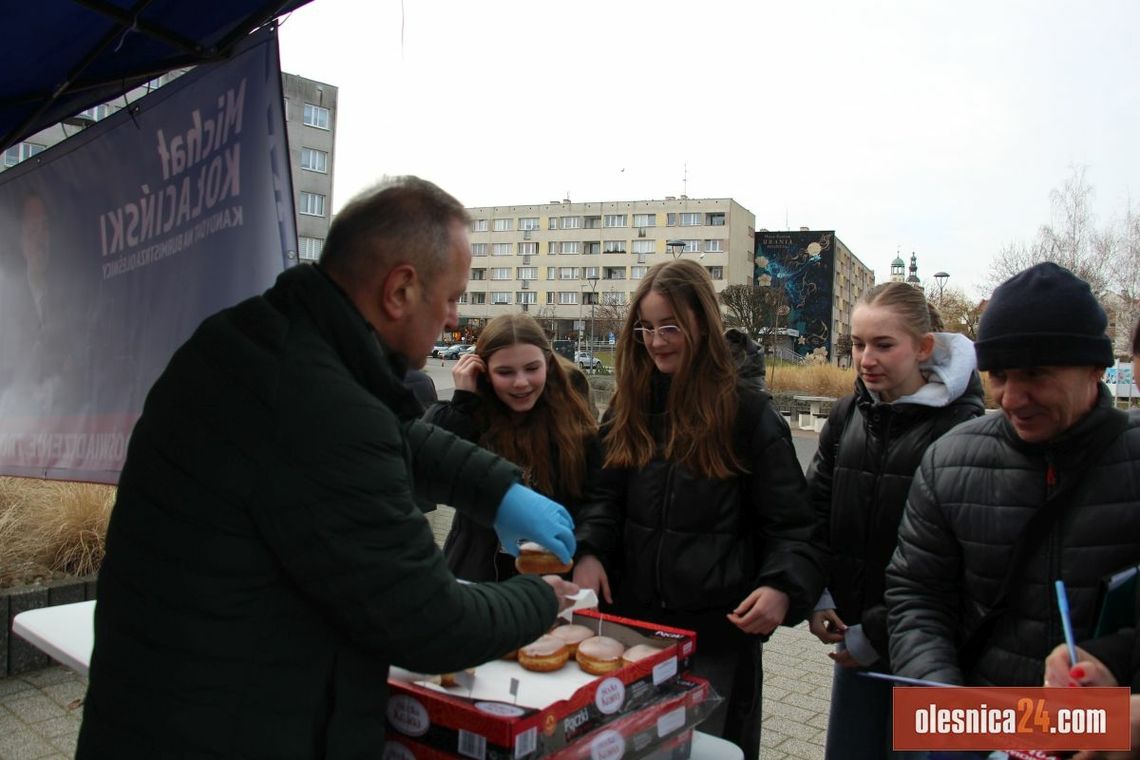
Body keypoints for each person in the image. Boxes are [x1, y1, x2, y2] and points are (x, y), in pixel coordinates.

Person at [77, 177, 580, 758]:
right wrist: (540, 598)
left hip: (164, 707)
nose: (453, 318)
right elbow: (429, 621)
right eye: (451, 297)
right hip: (227, 728)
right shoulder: (314, 396)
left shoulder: (263, 342)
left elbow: (390, 433)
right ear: (400, 291)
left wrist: (494, 491)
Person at [571, 259, 823, 760]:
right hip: (629, 631)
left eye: (671, 327)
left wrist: (781, 587)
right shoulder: (628, 406)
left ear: (701, 325)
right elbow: (602, 496)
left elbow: (795, 527)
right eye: (646, 328)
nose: (657, 340)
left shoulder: (748, 415)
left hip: (717, 638)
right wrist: (590, 550)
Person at [885, 262, 1140, 689]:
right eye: (999, 376)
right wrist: (938, 696)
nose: (1012, 398)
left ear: (1096, 369)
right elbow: (916, 595)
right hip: (978, 727)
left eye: (1035, 375)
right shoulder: (947, 460)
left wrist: (1115, 666)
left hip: (1108, 735)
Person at [805, 282, 985, 759]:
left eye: (884, 345)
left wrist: (876, 633)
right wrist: (817, 593)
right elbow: (814, 511)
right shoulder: (849, 414)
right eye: (858, 344)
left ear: (924, 347)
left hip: (930, 654)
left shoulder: (961, 430)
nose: (866, 358)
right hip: (854, 639)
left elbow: (955, 564)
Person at [425, 312, 599, 581]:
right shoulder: (473, 412)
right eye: (505, 372)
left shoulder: (572, 414)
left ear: (548, 363)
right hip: (479, 573)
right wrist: (462, 402)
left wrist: (590, 554)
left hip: (554, 575)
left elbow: (597, 497)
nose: (521, 382)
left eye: (532, 368)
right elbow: (428, 471)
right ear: (483, 371)